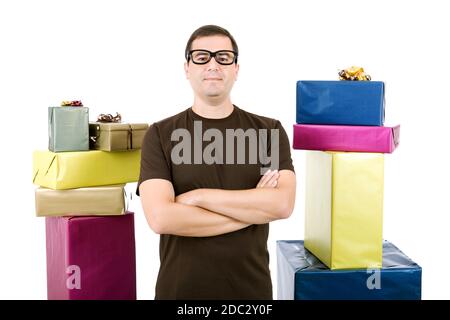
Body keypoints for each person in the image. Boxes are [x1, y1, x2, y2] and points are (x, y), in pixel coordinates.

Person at [137, 25, 296, 299]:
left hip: (250, 295)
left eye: (223, 57)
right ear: (187, 68)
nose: (213, 64)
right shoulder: (160, 134)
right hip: (179, 294)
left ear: (236, 68)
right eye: (201, 57)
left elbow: (281, 205)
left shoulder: (268, 131)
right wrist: (252, 208)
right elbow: (161, 218)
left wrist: (198, 197)